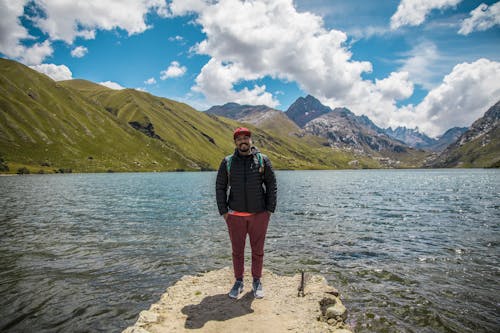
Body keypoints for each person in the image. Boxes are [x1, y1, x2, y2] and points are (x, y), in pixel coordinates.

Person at [215, 127, 277, 299]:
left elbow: (271, 185)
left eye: (246, 138)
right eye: (239, 139)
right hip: (235, 215)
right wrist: (224, 212)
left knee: (258, 250)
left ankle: (257, 281)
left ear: (250, 140)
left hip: (259, 215)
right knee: (237, 251)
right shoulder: (227, 162)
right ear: (235, 142)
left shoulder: (262, 160)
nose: (243, 141)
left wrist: (269, 210)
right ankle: (239, 281)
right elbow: (220, 187)